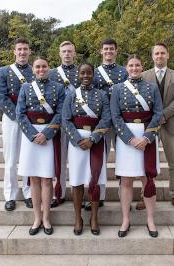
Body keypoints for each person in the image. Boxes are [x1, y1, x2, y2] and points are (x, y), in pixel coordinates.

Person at [110, 55, 162, 238]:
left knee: (147, 179)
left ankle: (150, 219)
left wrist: (147, 137)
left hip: (147, 136)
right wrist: (130, 139)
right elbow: (115, 117)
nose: (134, 68)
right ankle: (125, 219)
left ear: (142, 67)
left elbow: (158, 114)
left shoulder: (152, 88)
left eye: (137, 65)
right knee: (126, 180)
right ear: (126, 68)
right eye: (131, 65)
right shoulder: (117, 89)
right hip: (127, 140)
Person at [16, 56, 65, 235]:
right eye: (37, 67)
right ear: (33, 69)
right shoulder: (25, 88)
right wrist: (32, 134)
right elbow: (20, 114)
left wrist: (46, 134)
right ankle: (36, 217)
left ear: (48, 68)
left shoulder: (58, 88)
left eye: (44, 66)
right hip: (31, 137)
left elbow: (61, 113)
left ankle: (46, 218)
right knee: (34, 179)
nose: (41, 70)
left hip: (49, 135)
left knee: (46, 179)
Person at [62, 62, 111, 236]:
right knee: (76, 180)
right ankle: (78, 218)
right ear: (78, 74)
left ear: (93, 74)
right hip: (76, 143)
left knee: (95, 179)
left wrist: (93, 138)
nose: (85, 76)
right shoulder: (71, 95)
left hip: (95, 141)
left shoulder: (102, 95)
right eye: (82, 73)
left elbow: (106, 118)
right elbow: (66, 119)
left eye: (89, 73)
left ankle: (94, 217)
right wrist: (77, 139)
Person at [140, 42, 174, 211]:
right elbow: (142, 100)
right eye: (156, 53)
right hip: (149, 125)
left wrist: (163, 115)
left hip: (170, 123)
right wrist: (154, 118)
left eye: (162, 53)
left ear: (168, 55)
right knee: (146, 162)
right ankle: (145, 195)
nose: (159, 56)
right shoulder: (144, 76)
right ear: (152, 56)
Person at [86, 38, 128, 211]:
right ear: (101, 51)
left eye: (111, 49)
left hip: (120, 121)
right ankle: (99, 195)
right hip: (101, 121)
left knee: (124, 159)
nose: (109, 52)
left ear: (116, 51)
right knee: (99, 160)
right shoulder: (94, 73)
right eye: (106, 49)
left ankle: (123, 196)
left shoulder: (124, 72)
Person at [0, 38, 34, 211]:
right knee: (10, 159)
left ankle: (29, 193)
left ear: (29, 51)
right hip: (12, 118)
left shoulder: (36, 71)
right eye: (19, 49)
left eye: (25, 49)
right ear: (14, 51)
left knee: (28, 158)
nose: (22, 52)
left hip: (31, 119)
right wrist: (18, 116)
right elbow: (1, 97)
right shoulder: (4, 71)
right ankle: (10, 195)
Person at [48, 41, 80, 208]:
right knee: (59, 160)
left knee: (77, 160)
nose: (67, 54)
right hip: (59, 123)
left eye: (70, 51)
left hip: (77, 123)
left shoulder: (82, 72)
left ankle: (78, 193)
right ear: (59, 54)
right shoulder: (52, 73)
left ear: (74, 54)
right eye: (64, 51)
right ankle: (57, 193)